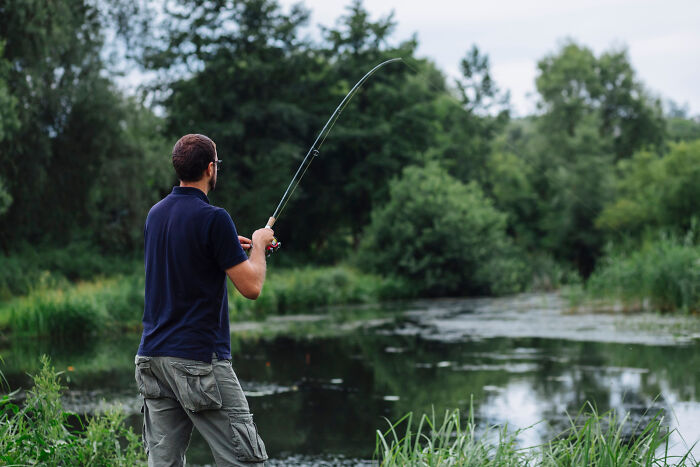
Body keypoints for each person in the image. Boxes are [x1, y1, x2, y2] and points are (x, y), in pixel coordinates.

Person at [134, 134, 274, 466]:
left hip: (151, 359)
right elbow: (252, 286)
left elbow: (190, 257)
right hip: (197, 360)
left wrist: (228, 247)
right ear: (211, 169)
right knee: (246, 460)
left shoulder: (155, 214)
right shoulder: (214, 218)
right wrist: (258, 243)